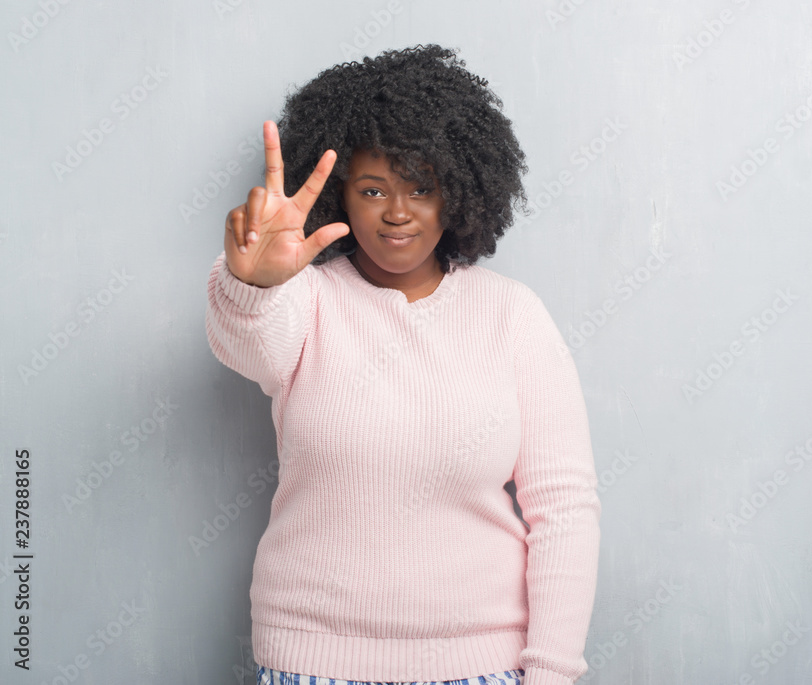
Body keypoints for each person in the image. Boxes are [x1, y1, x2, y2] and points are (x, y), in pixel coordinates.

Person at [204, 44, 601, 685]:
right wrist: (254, 285)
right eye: (372, 189)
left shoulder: (512, 316)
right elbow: (247, 346)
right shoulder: (304, 301)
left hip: (483, 667)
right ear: (339, 196)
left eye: (421, 187)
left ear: (462, 190)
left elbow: (563, 506)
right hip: (310, 663)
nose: (396, 212)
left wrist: (552, 671)